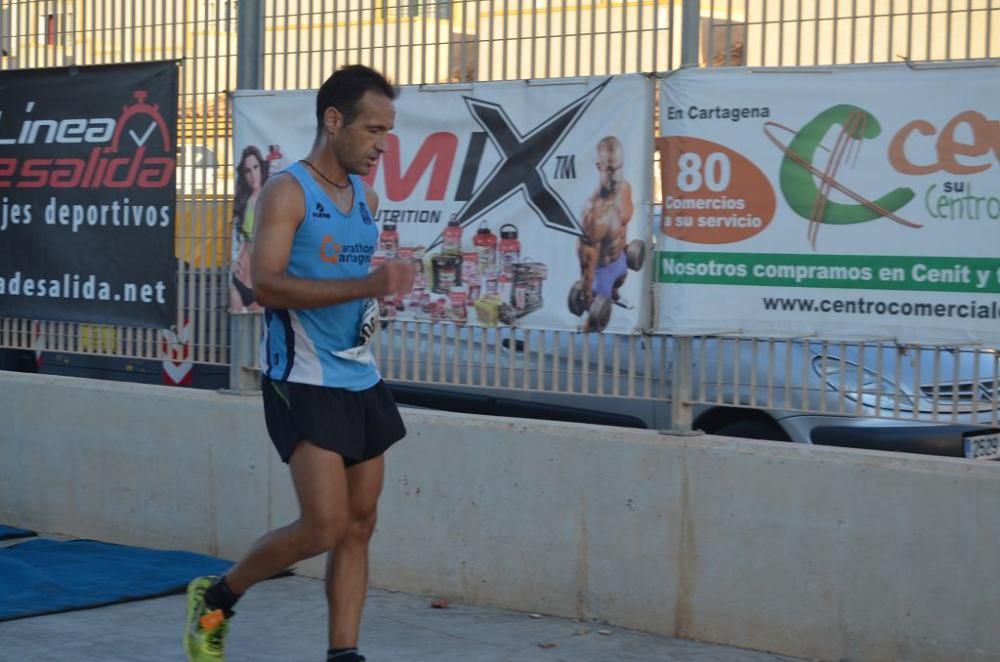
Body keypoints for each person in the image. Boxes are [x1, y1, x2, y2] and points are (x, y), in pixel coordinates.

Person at [184, 64, 416, 662]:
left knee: (361, 523)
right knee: (323, 526)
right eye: (372, 130)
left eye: (388, 132)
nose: (381, 145)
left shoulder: (366, 196)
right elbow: (266, 285)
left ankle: (345, 654)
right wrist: (368, 281)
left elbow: (351, 277)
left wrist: (386, 284)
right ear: (333, 121)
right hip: (302, 379)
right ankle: (218, 596)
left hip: (360, 376)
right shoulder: (287, 192)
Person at [576, 136, 635, 331]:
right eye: (610, 169)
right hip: (601, 275)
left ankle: (615, 294)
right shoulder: (594, 215)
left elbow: (623, 227)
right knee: (594, 325)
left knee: (620, 280)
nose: (616, 176)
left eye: (619, 168)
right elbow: (587, 264)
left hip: (620, 261)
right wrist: (587, 294)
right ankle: (579, 352)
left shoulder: (625, 188)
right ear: (598, 166)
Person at [230, 145, 269, 313]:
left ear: (261, 168)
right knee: (238, 334)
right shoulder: (244, 201)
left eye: (255, 167)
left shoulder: (269, 199)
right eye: (247, 171)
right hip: (239, 278)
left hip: (259, 284)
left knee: (262, 336)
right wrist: (236, 260)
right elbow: (245, 240)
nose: (252, 175)